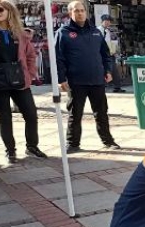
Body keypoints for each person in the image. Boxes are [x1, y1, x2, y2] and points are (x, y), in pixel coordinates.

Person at [55, 1, 120, 154]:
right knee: (75, 114)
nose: (80, 13)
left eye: (82, 10)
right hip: (76, 81)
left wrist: (108, 71)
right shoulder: (63, 33)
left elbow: (105, 54)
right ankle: (72, 143)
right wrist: (61, 79)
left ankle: (108, 141)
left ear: (86, 12)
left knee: (102, 112)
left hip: (97, 79)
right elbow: (58, 58)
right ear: (70, 13)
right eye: (76, 11)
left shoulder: (96, 32)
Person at [0, 0, 47, 163]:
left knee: (31, 113)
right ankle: (10, 150)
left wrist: (30, 74)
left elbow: (31, 55)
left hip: (19, 79)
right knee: (5, 117)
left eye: (0, 9)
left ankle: (32, 145)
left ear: (9, 12)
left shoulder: (20, 34)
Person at [97, 14, 125, 93]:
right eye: (106, 21)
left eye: (109, 21)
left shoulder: (109, 31)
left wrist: (115, 51)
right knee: (101, 70)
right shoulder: (97, 31)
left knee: (114, 70)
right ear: (102, 21)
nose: (107, 23)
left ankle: (117, 87)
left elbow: (113, 42)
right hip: (100, 54)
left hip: (110, 53)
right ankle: (101, 87)